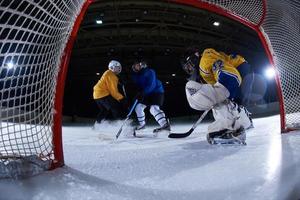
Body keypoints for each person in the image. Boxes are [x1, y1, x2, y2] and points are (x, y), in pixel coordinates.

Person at [181, 47, 253, 144]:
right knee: (226, 101)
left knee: (193, 88)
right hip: (244, 71)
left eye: (189, 66)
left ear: (195, 57)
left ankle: (231, 130)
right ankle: (244, 122)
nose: (189, 70)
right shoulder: (205, 64)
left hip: (238, 72)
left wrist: (223, 92)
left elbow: (229, 74)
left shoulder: (205, 60)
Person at [131, 60, 170, 133]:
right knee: (138, 107)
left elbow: (151, 85)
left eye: (137, 65)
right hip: (147, 94)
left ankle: (165, 125)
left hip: (157, 92)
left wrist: (142, 93)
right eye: (134, 66)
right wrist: (137, 94)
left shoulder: (150, 71)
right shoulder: (136, 76)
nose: (135, 67)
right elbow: (138, 87)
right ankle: (142, 125)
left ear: (142, 65)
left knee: (153, 108)